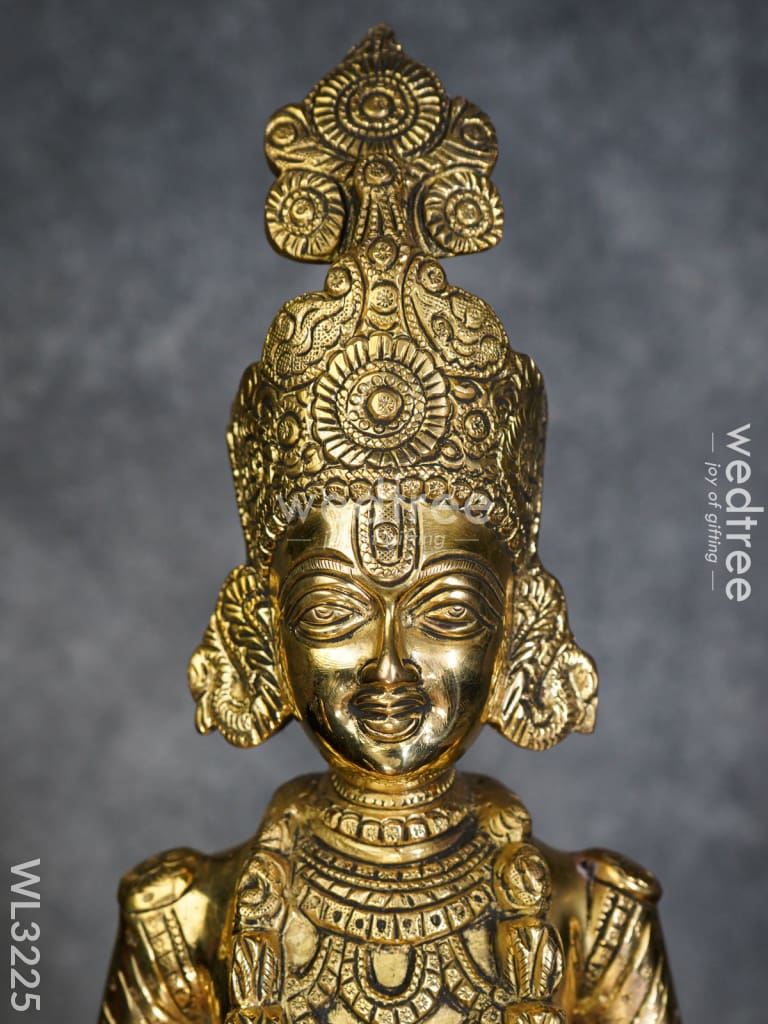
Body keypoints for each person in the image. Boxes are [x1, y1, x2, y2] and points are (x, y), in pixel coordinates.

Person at [99, 27, 680, 1024]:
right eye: (335, 612)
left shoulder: (590, 918)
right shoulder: (190, 919)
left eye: (446, 612)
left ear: (522, 628)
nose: (390, 673)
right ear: (260, 628)